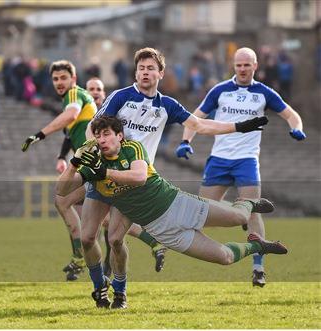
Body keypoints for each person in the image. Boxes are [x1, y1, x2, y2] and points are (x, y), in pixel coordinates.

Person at [81, 47, 269, 309]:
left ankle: (120, 291)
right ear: (136, 72)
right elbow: (94, 127)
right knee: (87, 237)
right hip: (104, 176)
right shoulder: (121, 97)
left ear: (161, 73)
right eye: (141, 68)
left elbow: (200, 125)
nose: (145, 73)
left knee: (114, 239)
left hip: (134, 182)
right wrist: (93, 152)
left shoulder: (166, 105)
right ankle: (99, 286)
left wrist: (237, 126)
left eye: (150, 68)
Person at [57, 116, 287, 309]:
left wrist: (103, 172)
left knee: (240, 217)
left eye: (106, 133)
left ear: (119, 135)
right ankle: (258, 245)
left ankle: (248, 202)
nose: (101, 139)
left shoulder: (132, 148)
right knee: (225, 258)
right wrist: (74, 163)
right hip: (163, 231)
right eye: (97, 136)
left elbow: (138, 177)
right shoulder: (93, 164)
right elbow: (62, 189)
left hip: (178, 205)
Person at [176, 47, 305, 287]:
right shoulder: (220, 90)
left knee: (254, 210)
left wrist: (296, 128)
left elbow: (291, 114)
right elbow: (196, 117)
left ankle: (258, 269)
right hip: (219, 159)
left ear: (255, 66)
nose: (243, 69)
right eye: (239, 65)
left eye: (247, 65)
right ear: (233, 66)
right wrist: (185, 141)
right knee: (203, 212)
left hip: (247, 160)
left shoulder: (263, 92)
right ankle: (238, 212)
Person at [56, 77, 167, 279]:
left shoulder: (111, 114)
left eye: (99, 89)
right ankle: (94, 261)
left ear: (104, 93)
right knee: (85, 216)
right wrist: (63, 157)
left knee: (109, 228)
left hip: (112, 172)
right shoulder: (83, 115)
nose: (95, 92)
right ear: (86, 93)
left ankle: (93, 264)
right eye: (91, 89)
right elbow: (69, 137)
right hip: (92, 172)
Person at [21, 60, 98, 281]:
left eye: (63, 78)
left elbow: (71, 116)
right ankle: (82, 259)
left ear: (73, 79)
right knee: (93, 216)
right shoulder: (75, 96)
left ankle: (82, 259)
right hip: (88, 161)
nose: (59, 82)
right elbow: (70, 131)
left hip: (92, 161)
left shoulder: (74, 94)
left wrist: (39, 135)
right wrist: (61, 156)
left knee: (70, 205)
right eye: (55, 79)